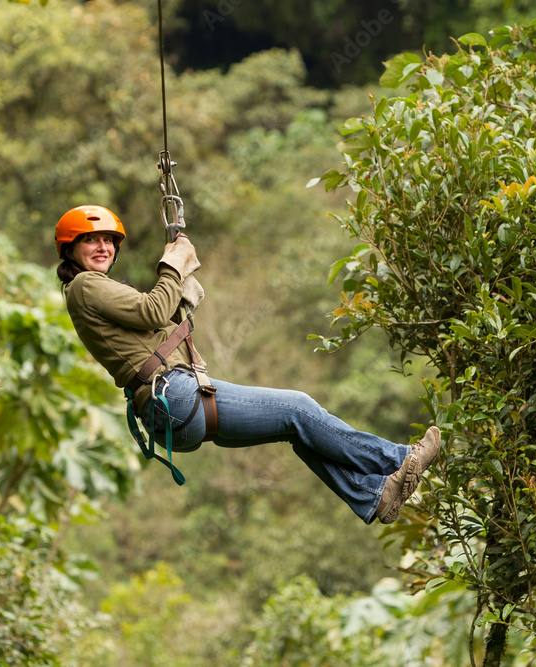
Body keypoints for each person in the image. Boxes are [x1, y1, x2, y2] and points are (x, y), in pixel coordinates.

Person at [55, 204, 440, 524]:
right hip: (175, 397)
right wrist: (171, 267)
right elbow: (153, 308)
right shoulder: (86, 285)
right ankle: (397, 460)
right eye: (91, 240)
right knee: (297, 407)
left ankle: (375, 496)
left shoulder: (93, 290)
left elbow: (154, 322)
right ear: (71, 249)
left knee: (297, 428)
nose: (102, 247)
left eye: (108, 240)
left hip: (170, 411)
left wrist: (179, 299)